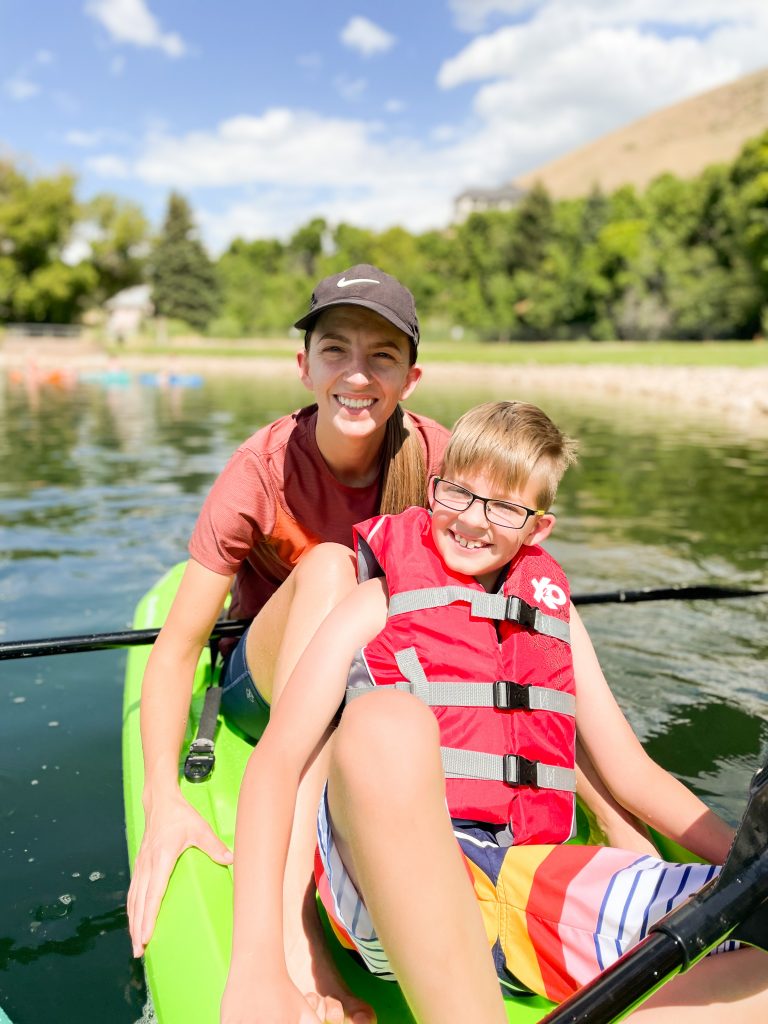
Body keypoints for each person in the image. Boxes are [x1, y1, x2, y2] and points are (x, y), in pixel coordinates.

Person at [221, 401, 768, 1024]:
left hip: (524, 880)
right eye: (458, 493)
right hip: (390, 889)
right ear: (434, 490)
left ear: (537, 528)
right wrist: (257, 965)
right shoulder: (374, 602)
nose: (474, 521)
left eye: (505, 507)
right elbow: (276, 766)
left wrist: (752, 868)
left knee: (763, 944)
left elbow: (633, 774)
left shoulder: (554, 616)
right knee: (385, 724)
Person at [127, 264, 449, 1020]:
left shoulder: (437, 460)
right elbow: (176, 651)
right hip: (263, 684)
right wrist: (164, 798)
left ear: (411, 376)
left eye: (382, 356)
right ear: (302, 366)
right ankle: (292, 918)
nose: (357, 376)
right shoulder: (259, 471)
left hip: (379, 677)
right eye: (335, 350)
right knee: (334, 566)